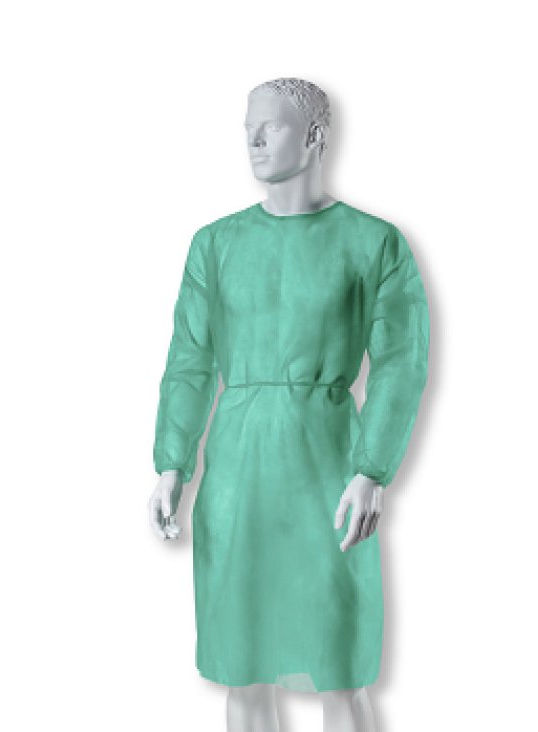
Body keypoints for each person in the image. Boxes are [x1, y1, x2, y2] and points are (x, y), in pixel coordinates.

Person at [149, 77, 430, 732]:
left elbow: (401, 362)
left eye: (270, 125)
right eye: (247, 126)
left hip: (327, 474)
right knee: (244, 670)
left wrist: (372, 470)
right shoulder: (215, 245)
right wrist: (172, 463)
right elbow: (189, 361)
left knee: (341, 671)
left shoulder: (372, 242)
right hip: (236, 481)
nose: (252, 139)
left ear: (315, 136)